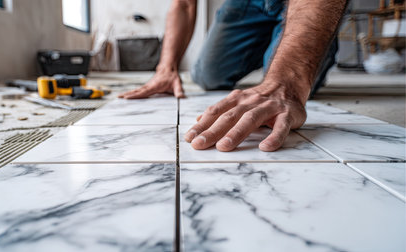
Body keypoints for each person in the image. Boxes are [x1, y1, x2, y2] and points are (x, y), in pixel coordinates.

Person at [119, 0, 347, 152]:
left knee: (293, 76)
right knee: (207, 76)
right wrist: (166, 69)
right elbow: (184, 3)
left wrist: (285, 83)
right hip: (246, 4)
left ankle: (305, 43)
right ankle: (270, 45)